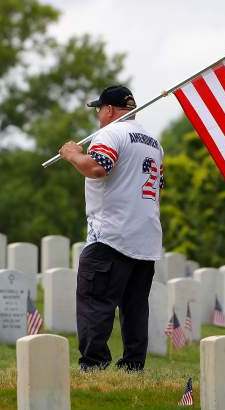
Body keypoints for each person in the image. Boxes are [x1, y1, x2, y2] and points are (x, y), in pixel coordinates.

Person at [58, 85, 164, 372]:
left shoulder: (110, 133)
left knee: (95, 301)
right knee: (135, 308)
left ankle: (94, 365)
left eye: (98, 110)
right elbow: (159, 186)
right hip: (146, 238)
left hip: (111, 235)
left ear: (109, 110)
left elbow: (97, 167)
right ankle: (132, 366)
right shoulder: (154, 143)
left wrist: (71, 155)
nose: (97, 116)